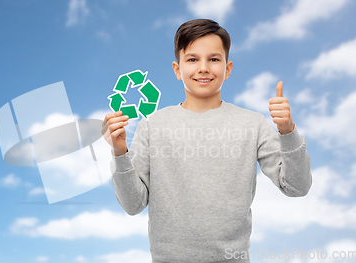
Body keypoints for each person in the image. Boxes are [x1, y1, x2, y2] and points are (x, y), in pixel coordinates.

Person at [101, 19, 312, 263]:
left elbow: (297, 186)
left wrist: (287, 131)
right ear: (177, 69)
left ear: (228, 68)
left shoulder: (252, 124)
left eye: (214, 59)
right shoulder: (152, 125)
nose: (203, 68)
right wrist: (119, 152)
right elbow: (133, 204)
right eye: (192, 59)